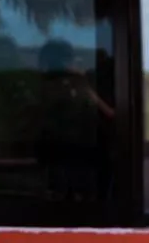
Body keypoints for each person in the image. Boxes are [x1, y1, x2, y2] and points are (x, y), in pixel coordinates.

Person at [33, 39, 114, 202]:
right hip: (65, 154)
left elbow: (111, 115)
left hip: (78, 154)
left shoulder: (84, 83)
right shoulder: (50, 86)